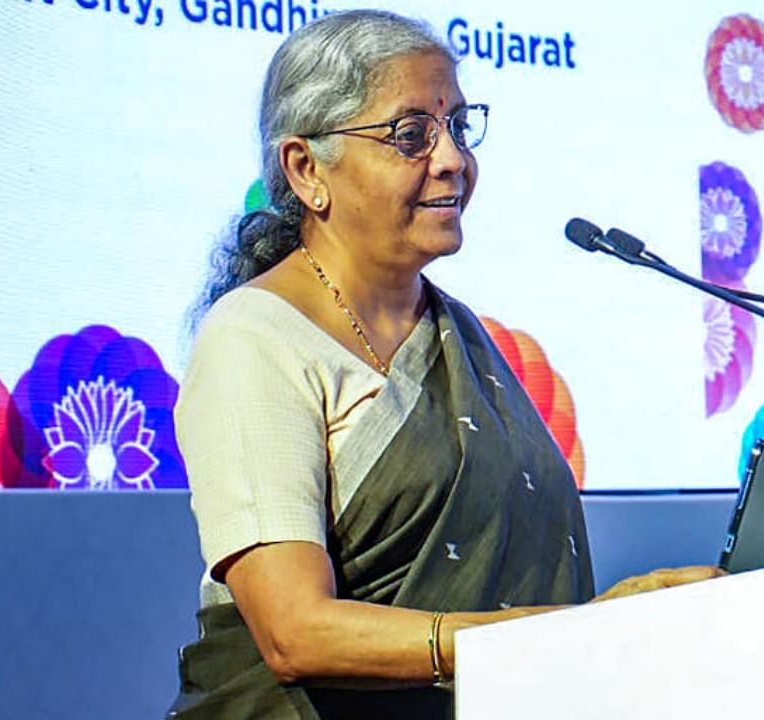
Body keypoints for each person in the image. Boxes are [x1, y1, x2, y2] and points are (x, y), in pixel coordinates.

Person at [169, 10, 720, 719]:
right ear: (307, 169)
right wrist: (569, 636)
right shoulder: (256, 338)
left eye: (458, 125)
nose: (453, 158)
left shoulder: (460, 339)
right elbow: (294, 632)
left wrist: (606, 632)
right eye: (411, 135)